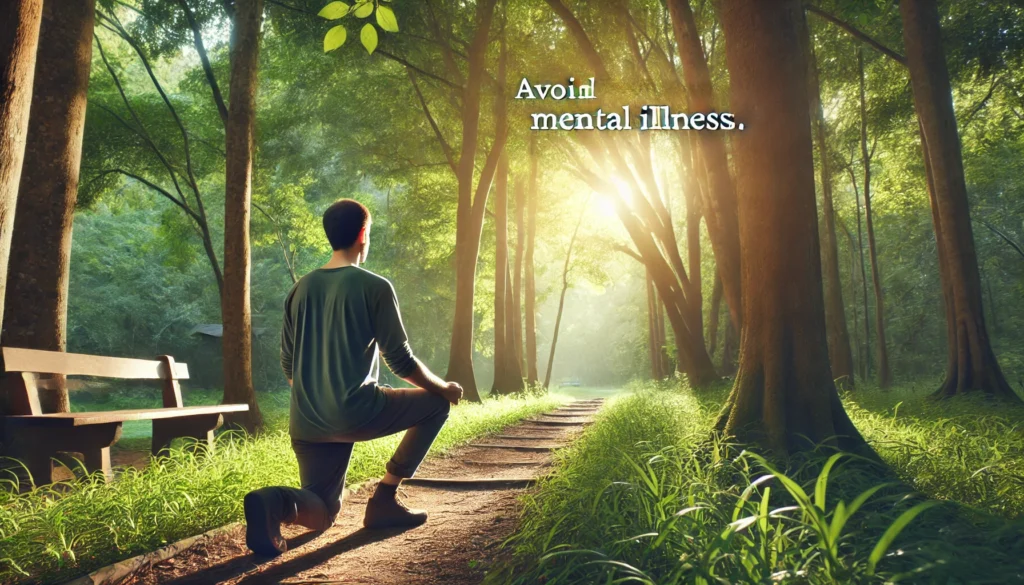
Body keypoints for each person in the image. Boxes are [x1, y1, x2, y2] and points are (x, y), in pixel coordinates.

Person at [243, 198, 463, 556]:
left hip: (306, 421)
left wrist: (319, 396)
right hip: (357, 411)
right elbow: (400, 360)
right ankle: (385, 498)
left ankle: (274, 502)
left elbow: (288, 363)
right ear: (363, 234)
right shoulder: (374, 286)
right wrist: (444, 387)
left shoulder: (299, 290)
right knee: (435, 404)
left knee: (323, 509)